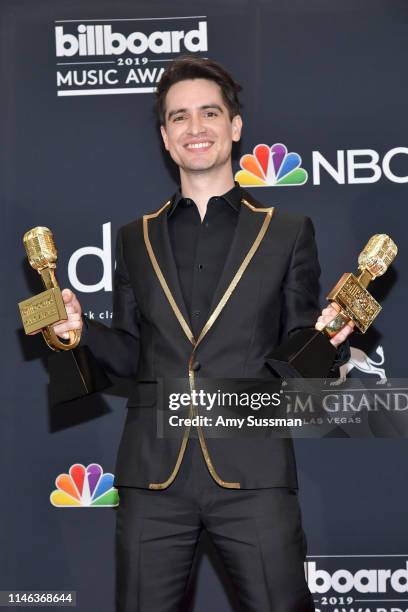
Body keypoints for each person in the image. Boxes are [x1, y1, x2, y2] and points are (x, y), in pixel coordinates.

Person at [53, 57, 353, 612]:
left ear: (235, 126)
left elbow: (297, 356)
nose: (196, 128)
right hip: (152, 478)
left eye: (209, 113)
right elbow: (134, 353)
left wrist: (326, 343)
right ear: (165, 138)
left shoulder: (287, 233)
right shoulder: (133, 239)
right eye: (180, 117)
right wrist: (80, 333)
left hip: (253, 475)